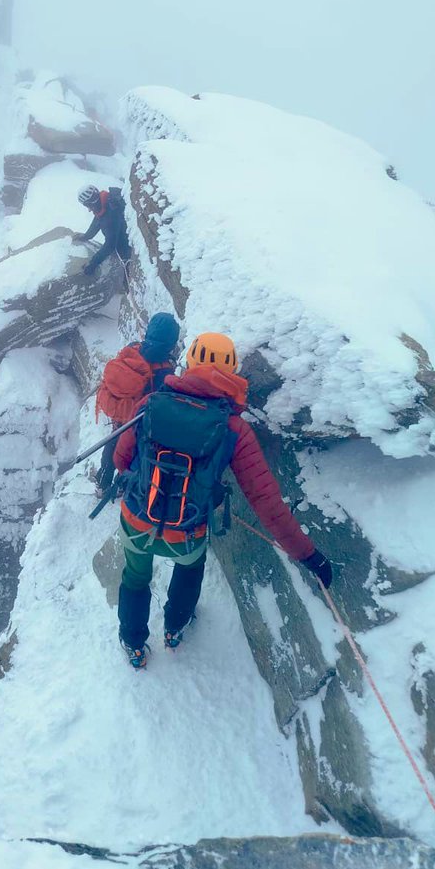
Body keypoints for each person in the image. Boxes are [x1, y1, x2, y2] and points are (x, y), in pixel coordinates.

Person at [111, 331, 333, 669]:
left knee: (135, 577)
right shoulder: (234, 429)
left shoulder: (150, 405)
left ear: (189, 363)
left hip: (137, 519)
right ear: (232, 374)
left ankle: (134, 645)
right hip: (185, 534)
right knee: (190, 570)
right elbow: (267, 503)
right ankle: (174, 629)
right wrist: (309, 556)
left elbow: (121, 460)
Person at [92, 312, 180, 493]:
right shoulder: (165, 369)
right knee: (130, 452)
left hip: (120, 412)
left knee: (112, 445)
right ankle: (123, 485)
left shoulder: (133, 349)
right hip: (137, 419)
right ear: (171, 341)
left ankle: (102, 482)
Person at [73, 184, 132, 276]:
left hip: (128, 249)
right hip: (125, 239)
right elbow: (99, 218)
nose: (89, 210)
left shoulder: (111, 214)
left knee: (126, 276)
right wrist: (86, 236)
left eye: (88, 206)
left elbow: (110, 245)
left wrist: (93, 264)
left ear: (92, 202)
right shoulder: (109, 201)